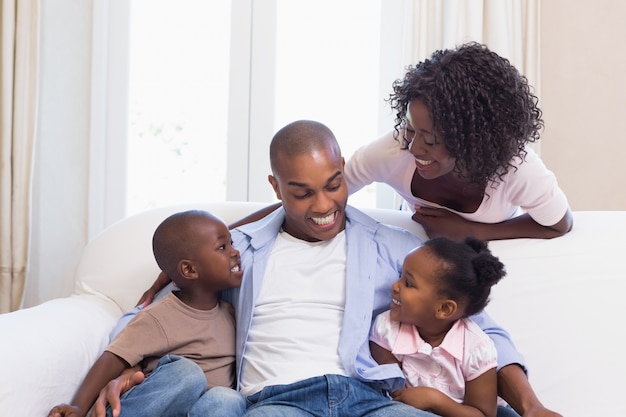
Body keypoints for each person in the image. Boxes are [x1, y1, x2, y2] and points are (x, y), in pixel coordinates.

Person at [94, 120, 535, 417]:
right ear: (275, 187)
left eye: (333, 185)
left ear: (344, 171)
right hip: (278, 401)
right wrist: (134, 376)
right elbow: (154, 315)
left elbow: (480, 327)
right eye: (302, 193)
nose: (323, 206)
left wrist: (530, 405)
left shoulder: (393, 249)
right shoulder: (239, 251)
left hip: (370, 399)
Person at [345, 42, 573, 242]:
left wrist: (473, 231)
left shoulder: (516, 169)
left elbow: (559, 223)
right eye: (410, 128)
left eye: (431, 140)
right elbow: (329, 188)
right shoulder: (393, 150)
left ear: (473, 140)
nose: (413, 147)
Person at [48, 210, 246, 417]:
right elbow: (112, 359)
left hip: (204, 409)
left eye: (231, 243)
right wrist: (78, 407)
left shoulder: (233, 314)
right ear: (189, 270)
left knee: (228, 399)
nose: (235, 252)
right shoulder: (159, 316)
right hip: (157, 407)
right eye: (223, 247)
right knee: (187, 374)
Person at [370, 237, 506, 417]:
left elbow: (484, 414)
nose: (395, 286)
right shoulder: (386, 329)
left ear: (444, 308)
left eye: (408, 284)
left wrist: (434, 399)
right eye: (400, 276)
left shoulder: (477, 348)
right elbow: (395, 393)